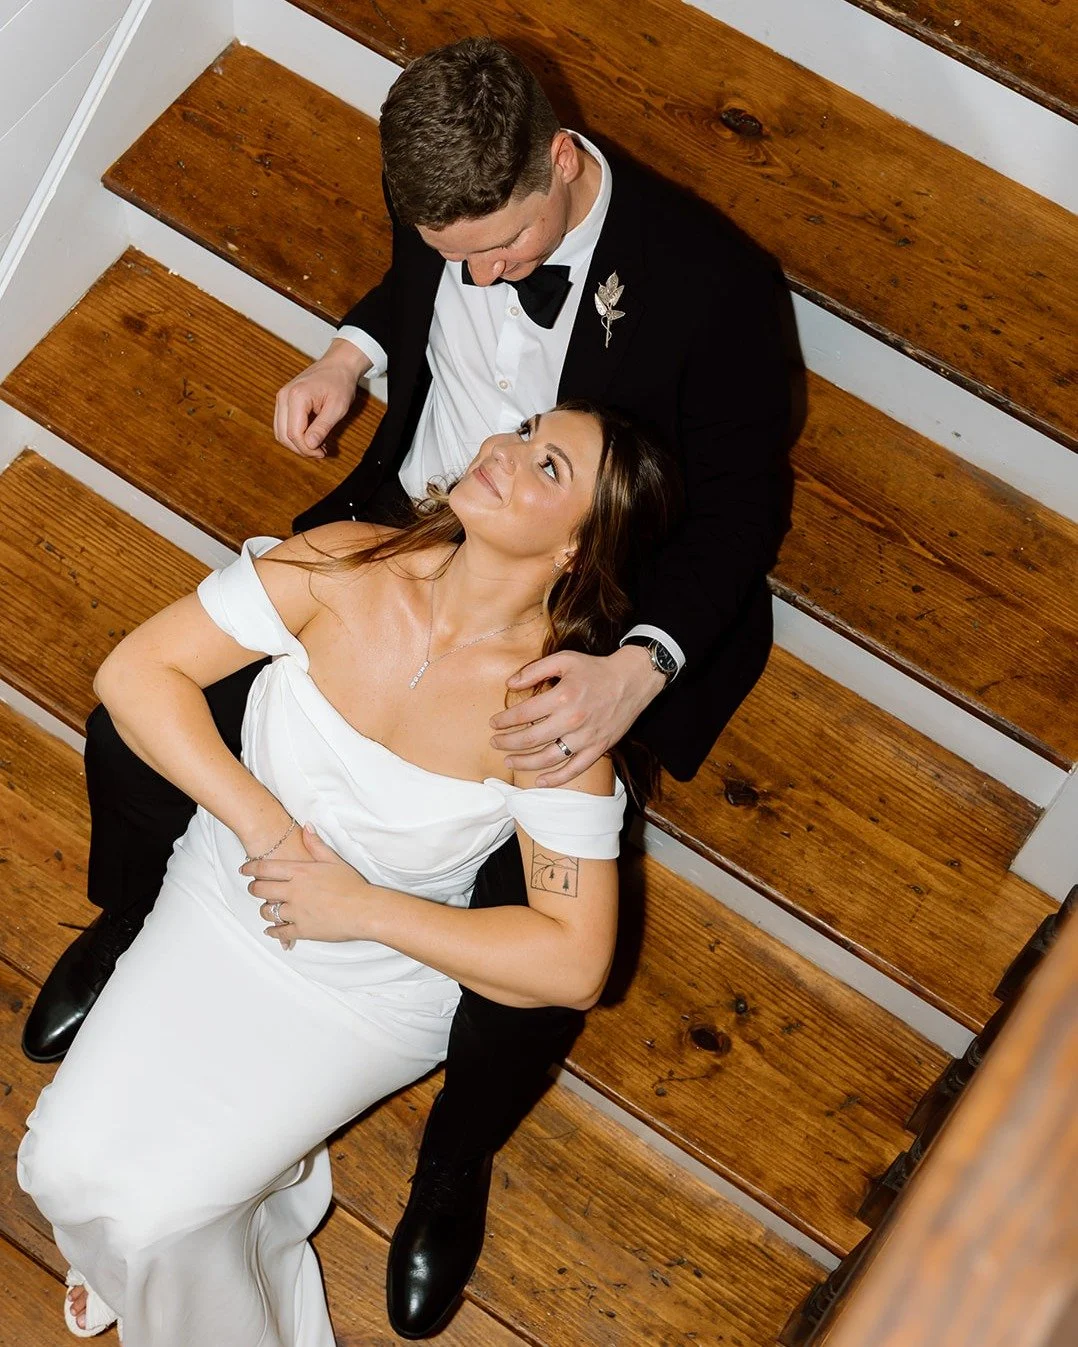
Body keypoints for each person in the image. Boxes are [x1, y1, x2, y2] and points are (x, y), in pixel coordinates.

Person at [22, 37, 793, 1338]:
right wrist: (349, 357)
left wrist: (633, 667)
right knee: (131, 739)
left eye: (497, 249)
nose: (477, 274)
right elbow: (408, 285)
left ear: (559, 159)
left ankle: (453, 1160)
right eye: (453, 247)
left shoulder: (712, 288)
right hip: (411, 515)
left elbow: (739, 511)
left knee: (517, 979)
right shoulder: (445, 180)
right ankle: (137, 919)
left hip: (587, 607)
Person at [18, 403, 678, 1344]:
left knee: (152, 1220)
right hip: (224, 893)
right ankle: (225, 1224)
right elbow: (135, 672)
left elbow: (574, 964)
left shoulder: (547, 714)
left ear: (579, 546)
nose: (505, 451)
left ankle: (195, 1265)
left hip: (365, 990)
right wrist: (265, 826)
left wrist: (364, 908)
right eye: (524, 430)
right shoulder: (344, 563)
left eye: (549, 467)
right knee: (59, 1173)